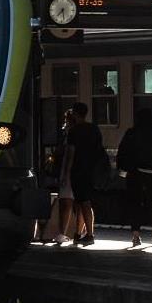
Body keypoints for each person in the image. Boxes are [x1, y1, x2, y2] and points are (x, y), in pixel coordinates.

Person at [116, 109, 152, 245]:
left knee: (135, 203)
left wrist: (123, 169)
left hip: (135, 173)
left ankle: (136, 237)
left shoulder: (131, 133)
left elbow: (122, 151)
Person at [58, 102, 105, 247]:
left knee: (83, 202)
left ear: (76, 114)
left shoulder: (74, 131)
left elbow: (71, 154)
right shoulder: (94, 129)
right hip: (91, 170)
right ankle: (80, 234)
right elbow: (99, 150)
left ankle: (89, 235)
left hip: (78, 171)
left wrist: (66, 173)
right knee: (84, 202)